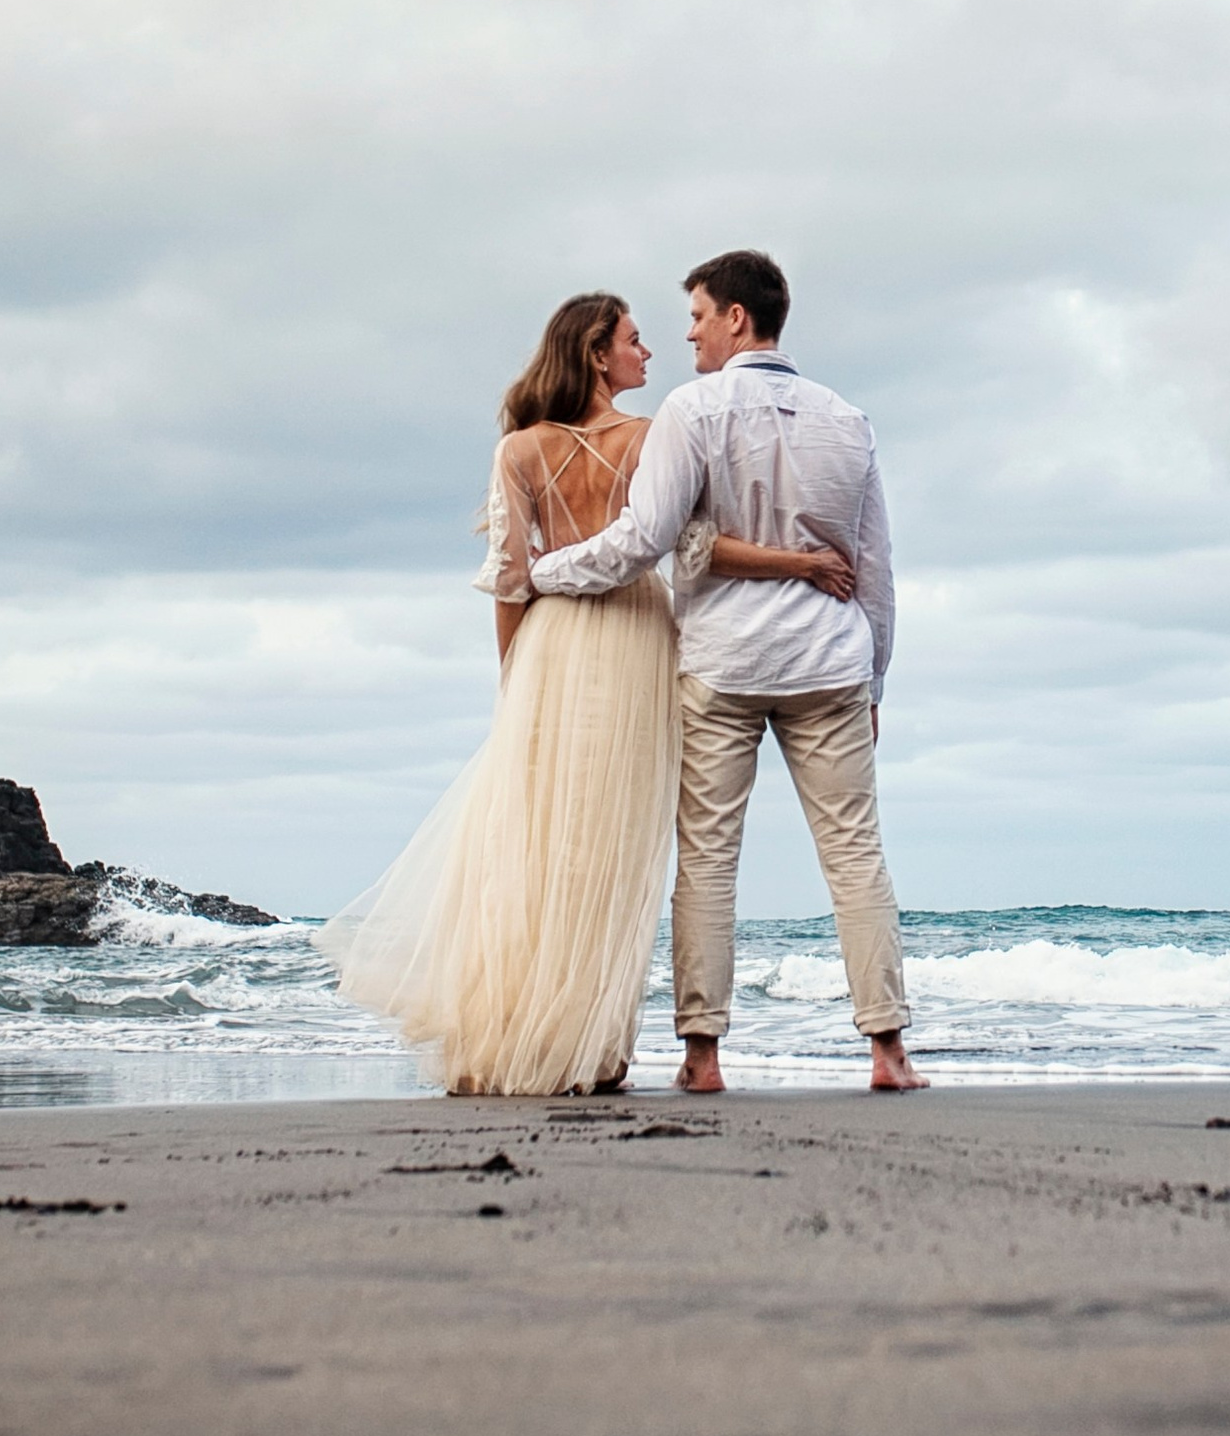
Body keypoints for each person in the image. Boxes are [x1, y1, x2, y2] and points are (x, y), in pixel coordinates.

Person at [320, 291, 845, 1097]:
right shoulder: (652, 438)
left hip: (550, 643)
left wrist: (513, 679)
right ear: (598, 354)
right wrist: (801, 563)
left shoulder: (519, 452)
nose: (649, 352)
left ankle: (526, 1035)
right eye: (634, 341)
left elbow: (507, 577)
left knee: (537, 846)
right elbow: (696, 550)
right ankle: (594, 1047)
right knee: (617, 849)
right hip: (637, 637)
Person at [528, 249, 923, 1093]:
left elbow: (644, 538)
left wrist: (545, 574)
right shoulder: (847, 419)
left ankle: (702, 1056)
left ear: (737, 318)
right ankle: (888, 1051)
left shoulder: (694, 409)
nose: (691, 335)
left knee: (707, 858)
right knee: (855, 854)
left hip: (725, 664)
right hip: (829, 663)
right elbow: (878, 569)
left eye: (700, 316)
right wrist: (878, 678)